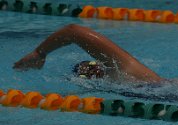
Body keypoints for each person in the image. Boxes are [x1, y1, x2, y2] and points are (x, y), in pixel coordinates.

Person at [13, 24, 163, 83]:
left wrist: (39, 53)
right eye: (85, 73)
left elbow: (74, 31)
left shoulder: (125, 69)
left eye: (91, 64)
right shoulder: (118, 80)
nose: (91, 69)